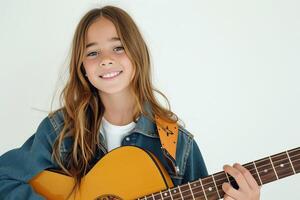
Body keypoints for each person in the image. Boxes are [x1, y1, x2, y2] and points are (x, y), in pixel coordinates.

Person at [0, 5, 260, 200]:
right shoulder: (61, 130)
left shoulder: (177, 143)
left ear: (137, 54)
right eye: (92, 52)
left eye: (118, 47)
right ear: (82, 67)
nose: (105, 59)